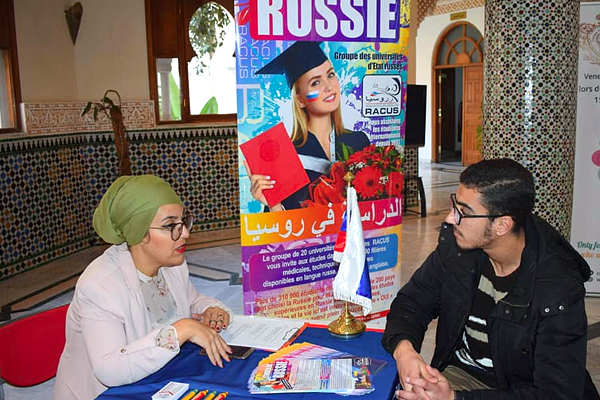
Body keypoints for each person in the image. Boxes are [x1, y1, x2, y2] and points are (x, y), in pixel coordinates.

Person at [382, 158, 599, 400]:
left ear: (502, 225)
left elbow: (557, 393)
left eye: (464, 212)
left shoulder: (557, 286)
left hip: (522, 391)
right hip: (463, 376)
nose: (450, 219)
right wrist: (405, 352)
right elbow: (412, 302)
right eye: (455, 206)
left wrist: (455, 399)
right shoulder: (456, 250)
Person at [54, 175, 233, 400]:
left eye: (183, 221)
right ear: (138, 232)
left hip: (160, 379)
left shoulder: (171, 263)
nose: (185, 234)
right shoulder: (100, 286)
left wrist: (211, 309)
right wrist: (182, 329)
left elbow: (192, 300)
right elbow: (109, 370)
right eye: (170, 226)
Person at [244, 41, 370, 211]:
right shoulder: (285, 156)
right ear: (300, 99)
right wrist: (272, 204)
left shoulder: (360, 142)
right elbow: (284, 230)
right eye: (315, 83)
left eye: (330, 75)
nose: (328, 87)